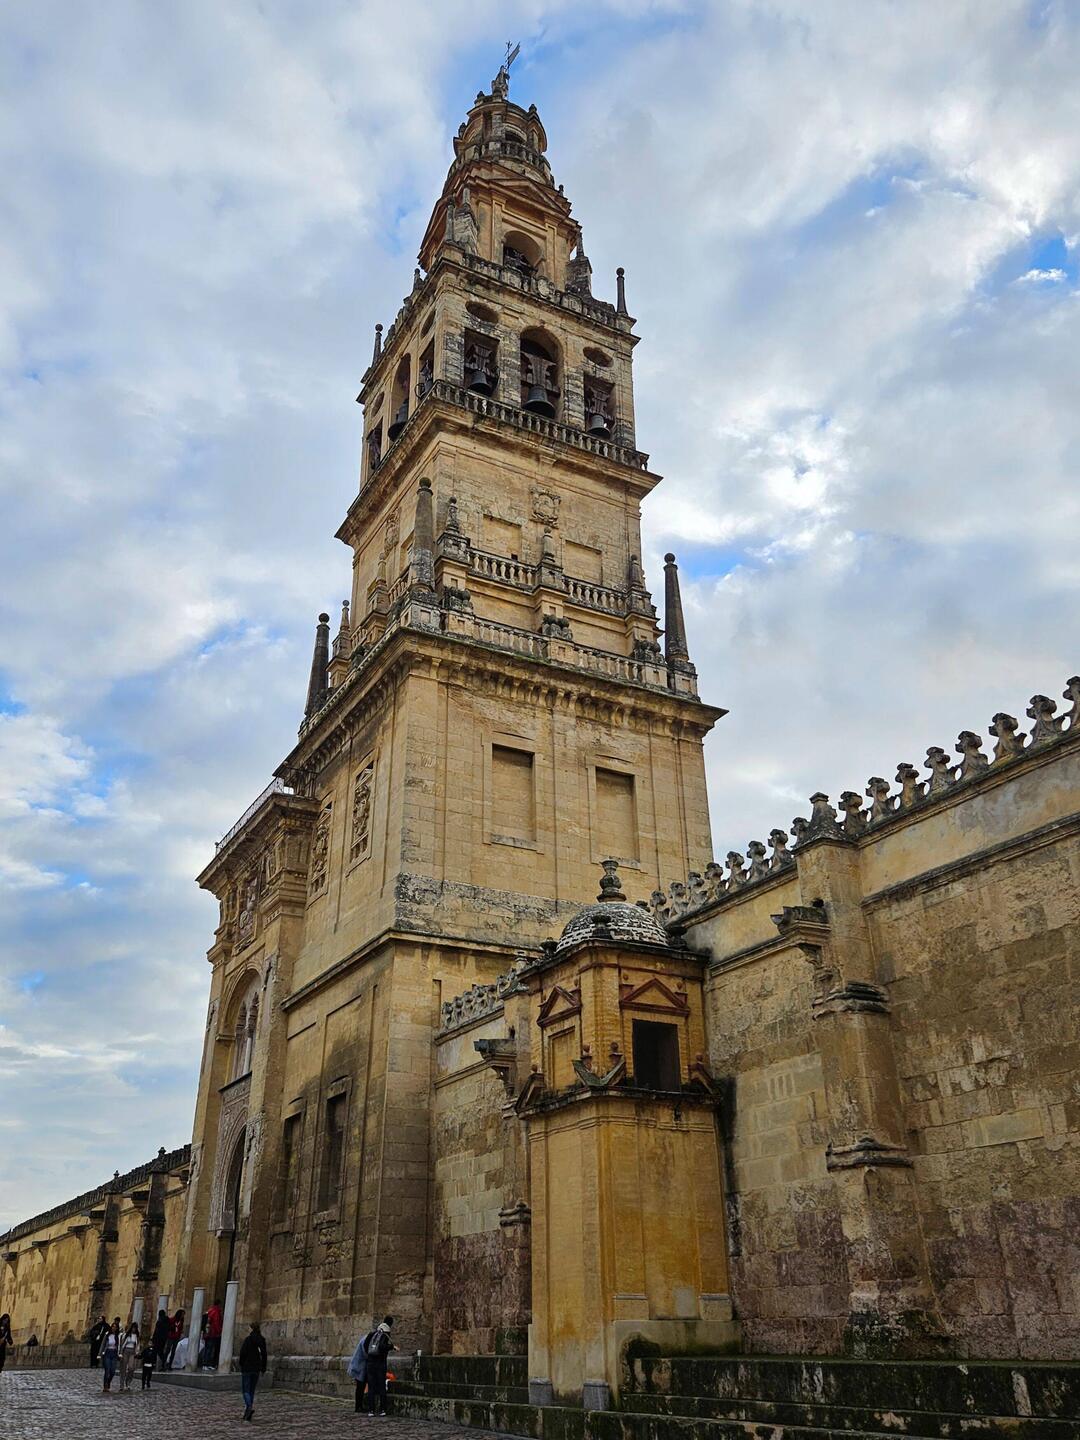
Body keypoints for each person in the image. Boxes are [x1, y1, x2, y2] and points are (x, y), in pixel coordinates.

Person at [358, 1316, 393, 1417]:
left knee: (371, 1386)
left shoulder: (373, 1333)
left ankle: (371, 1410)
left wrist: (369, 1356)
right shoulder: (386, 1334)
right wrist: (391, 1347)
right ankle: (382, 1409)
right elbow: (382, 1347)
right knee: (381, 1385)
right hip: (380, 1363)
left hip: (370, 1363)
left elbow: (365, 1345)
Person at [238, 1321, 267, 1422]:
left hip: (247, 1368)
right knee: (251, 1390)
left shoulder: (248, 1340)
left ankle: (249, 1407)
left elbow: (242, 1353)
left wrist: (241, 1364)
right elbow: (264, 1355)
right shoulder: (262, 1340)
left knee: (246, 1390)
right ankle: (248, 1411)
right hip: (256, 1368)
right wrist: (263, 1367)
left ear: (251, 1329)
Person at [347, 1326, 368, 1413]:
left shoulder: (365, 1339)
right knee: (360, 1387)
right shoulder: (365, 1340)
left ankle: (359, 1406)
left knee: (360, 1387)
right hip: (359, 1367)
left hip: (360, 1367)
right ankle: (358, 1406)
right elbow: (365, 1353)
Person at [100, 1318, 121, 1391]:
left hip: (114, 1353)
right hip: (107, 1353)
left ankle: (108, 1382)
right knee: (107, 1370)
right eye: (113, 1326)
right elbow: (103, 1344)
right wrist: (100, 1354)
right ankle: (105, 1386)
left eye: (115, 1327)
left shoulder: (118, 1336)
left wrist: (119, 1353)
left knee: (113, 1371)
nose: (114, 1328)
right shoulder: (107, 1335)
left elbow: (119, 1345)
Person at [119, 1321, 140, 1392]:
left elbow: (137, 1345)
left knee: (131, 1368)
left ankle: (128, 1382)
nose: (134, 1329)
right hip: (126, 1351)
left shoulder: (136, 1336)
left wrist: (137, 1351)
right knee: (123, 1368)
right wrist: (121, 1353)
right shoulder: (126, 1335)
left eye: (135, 1328)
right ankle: (121, 1385)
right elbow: (122, 1344)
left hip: (132, 1352)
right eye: (133, 1328)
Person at [203, 1297, 223, 1369]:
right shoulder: (216, 1311)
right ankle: (207, 1364)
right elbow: (216, 1323)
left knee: (207, 1348)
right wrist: (220, 1331)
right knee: (210, 1349)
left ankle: (205, 1364)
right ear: (219, 1304)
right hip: (213, 1333)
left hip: (208, 1332)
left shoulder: (210, 1310)